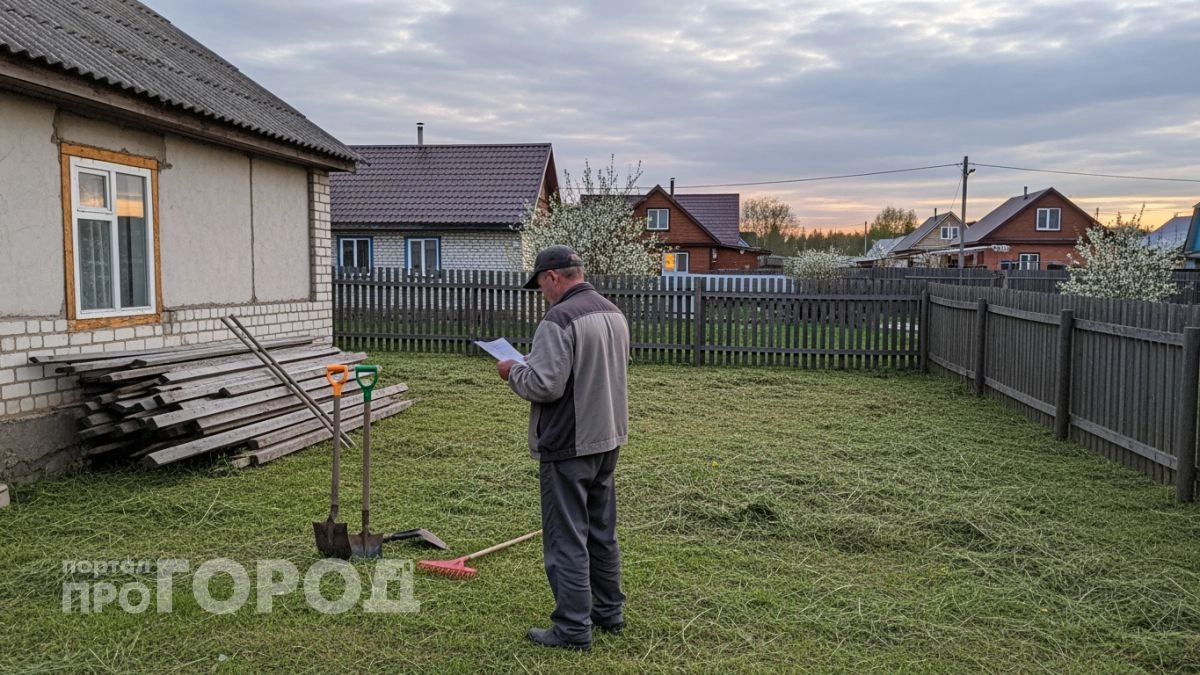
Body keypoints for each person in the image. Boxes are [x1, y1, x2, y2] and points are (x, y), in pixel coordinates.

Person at [497, 245, 630, 652]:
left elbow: (545, 386)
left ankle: (572, 629)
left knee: (566, 537)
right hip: (607, 437)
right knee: (601, 532)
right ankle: (609, 613)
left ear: (553, 276)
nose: (542, 293)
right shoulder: (612, 312)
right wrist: (533, 362)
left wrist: (513, 371)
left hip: (568, 443)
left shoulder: (559, 319)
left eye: (540, 285)